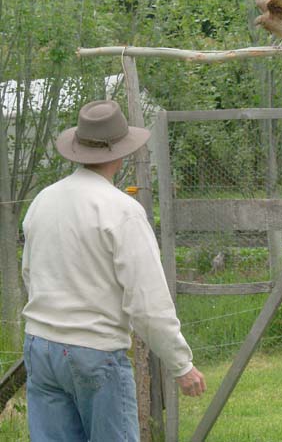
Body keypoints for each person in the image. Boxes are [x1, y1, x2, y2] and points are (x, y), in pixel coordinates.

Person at [22, 99, 206, 442]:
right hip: (93, 352)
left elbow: (30, 274)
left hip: (41, 346)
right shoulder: (122, 211)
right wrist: (181, 365)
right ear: (120, 153)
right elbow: (148, 305)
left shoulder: (43, 200)